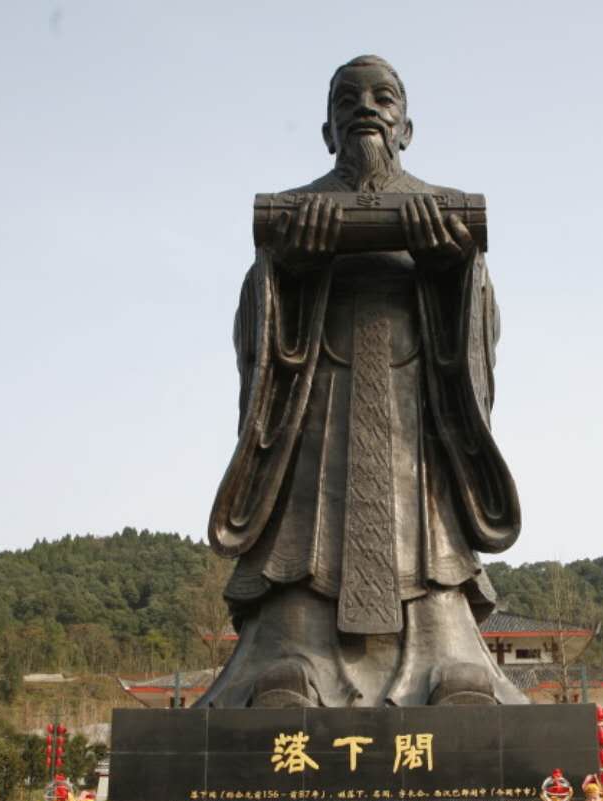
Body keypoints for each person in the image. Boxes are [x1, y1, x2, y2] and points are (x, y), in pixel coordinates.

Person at [201, 55, 525, 709]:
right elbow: (255, 320)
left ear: (406, 127)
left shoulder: (441, 211)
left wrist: (452, 272)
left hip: (418, 404)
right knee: (300, 524)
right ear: (327, 129)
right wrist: (287, 271)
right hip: (316, 399)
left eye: (383, 97)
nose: (365, 108)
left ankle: (448, 659)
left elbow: (481, 321)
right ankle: (289, 659)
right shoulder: (295, 212)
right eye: (347, 99)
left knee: (425, 521)